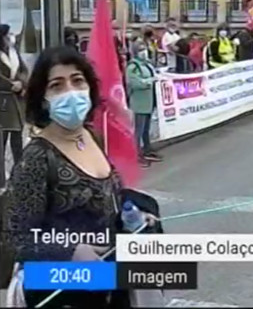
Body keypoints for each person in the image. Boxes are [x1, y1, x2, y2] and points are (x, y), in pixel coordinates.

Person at [3, 46, 156, 307]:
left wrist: (133, 217)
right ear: (43, 98)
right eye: (57, 85)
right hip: (63, 289)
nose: (71, 92)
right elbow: (15, 238)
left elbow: (107, 196)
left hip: (108, 280)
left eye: (77, 81)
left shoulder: (91, 136)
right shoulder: (37, 158)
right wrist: (70, 251)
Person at [126, 41, 163, 168]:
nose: (144, 52)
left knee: (146, 129)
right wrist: (150, 81)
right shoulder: (133, 66)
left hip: (149, 101)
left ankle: (147, 149)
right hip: (139, 102)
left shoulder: (146, 64)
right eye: (141, 50)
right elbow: (135, 83)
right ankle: (136, 154)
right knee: (139, 130)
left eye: (145, 49)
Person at [0, 24, 28, 165]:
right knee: (2, 143)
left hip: (17, 101)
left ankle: (18, 175)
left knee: (17, 142)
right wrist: (11, 85)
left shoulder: (14, 52)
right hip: (3, 102)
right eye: (8, 35)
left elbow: (23, 70)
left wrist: (22, 83)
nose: (11, 37)